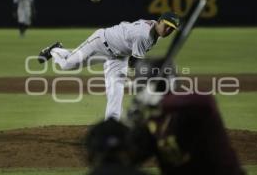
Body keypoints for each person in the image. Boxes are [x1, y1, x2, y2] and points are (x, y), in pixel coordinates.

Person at [37, 12, 180, 120]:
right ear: (160, 21)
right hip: (100, 43)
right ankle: (54, 50)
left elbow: (133, 58)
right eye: (166, 26)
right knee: (67, 64)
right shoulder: (143, 35)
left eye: (171, 29)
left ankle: (112, 124)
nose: (168, 30)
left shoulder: (155, 29)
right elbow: (134, 63)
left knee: (116, 91)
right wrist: (148, 80)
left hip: (120, 56)